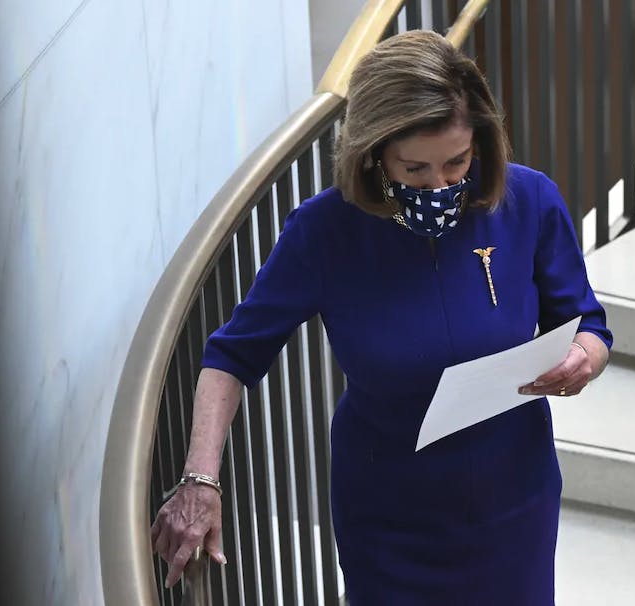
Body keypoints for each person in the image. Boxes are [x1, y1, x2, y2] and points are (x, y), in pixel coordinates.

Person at [150, 30, 611, 603]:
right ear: (374, 153)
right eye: (414, 168)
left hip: (514, 503)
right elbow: (232, 355)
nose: (439, 185)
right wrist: (200, 480)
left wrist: (584, 359)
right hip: (389, 520)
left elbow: (587, 321)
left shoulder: (531, 202)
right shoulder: (323, 231)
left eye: (456, 163)